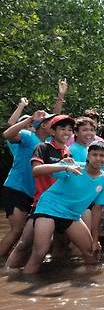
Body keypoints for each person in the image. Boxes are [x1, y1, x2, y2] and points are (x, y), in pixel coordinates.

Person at [10, 140, 104, 274]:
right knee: (40, 252)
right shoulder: (74, 167)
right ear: (88, 156)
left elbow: (97, 211)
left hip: (71, 215)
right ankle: (25, 285)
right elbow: (37, 171)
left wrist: (95, 240)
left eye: (102, 155)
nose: (98, 158)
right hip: (49, 208)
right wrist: (64, 167)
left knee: (91, 252)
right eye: (94, 154)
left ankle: (89, 285)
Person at [0, 110, 51, 257]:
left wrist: (61, 97)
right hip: (15, 189)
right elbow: (7, 133)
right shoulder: (28, 137)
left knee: (25, 233)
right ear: (41, 126)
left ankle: (10, 260)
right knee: (17, 230)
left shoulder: (47, 144)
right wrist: (29, 118)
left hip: (32, 194)